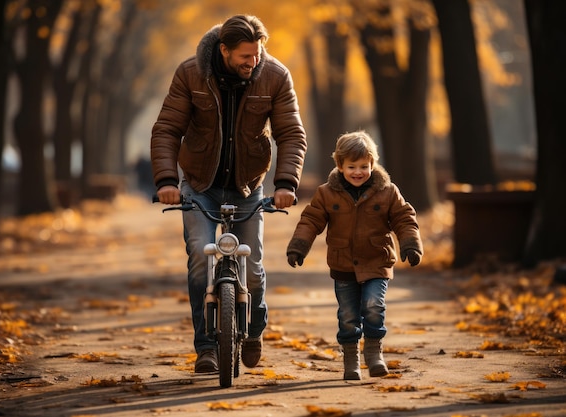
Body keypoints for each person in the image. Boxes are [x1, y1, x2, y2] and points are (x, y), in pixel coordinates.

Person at [151, 14, 307, 373]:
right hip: (199, 186)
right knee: (198, 263)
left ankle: (253, 331)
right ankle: (206, 347)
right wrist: (166, 182)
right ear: (224, 50)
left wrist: (285, 185)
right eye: (244, 57)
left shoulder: (276, 75)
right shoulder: (191, 73)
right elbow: (167, 129)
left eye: (256, 54)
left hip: (248, 186)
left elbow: (291, 133)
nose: (253, 62)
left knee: (252, 270)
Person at [286, 130, 422, 380]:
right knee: (348, 316)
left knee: (373, 306)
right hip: (343, 264)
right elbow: (311, 220)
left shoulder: (388, 191)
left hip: (376, 262)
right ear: (340, 165)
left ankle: (373, 352)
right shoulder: (327, 193)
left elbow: (404, 218)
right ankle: (351, 359)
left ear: (373, 164)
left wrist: (410, 244)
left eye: (364, 166)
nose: (358, 172)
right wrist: (298, 246)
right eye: (351, 166)